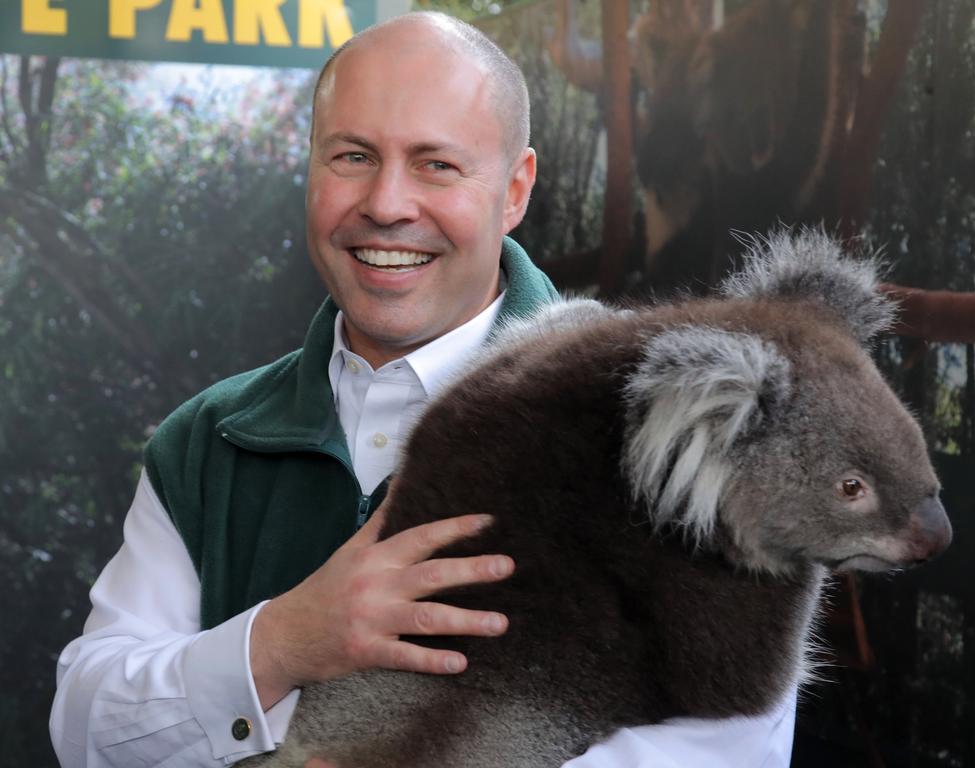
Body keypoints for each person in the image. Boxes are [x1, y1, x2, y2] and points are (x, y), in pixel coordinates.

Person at [50, 11, 797, 767]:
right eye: (352, 156)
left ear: (514, 189)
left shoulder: (669, 410)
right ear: (310, 167)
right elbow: (85, 729)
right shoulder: (208, 440)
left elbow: (739, 736)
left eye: (437, 164)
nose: (386, 204)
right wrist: (283, 640)